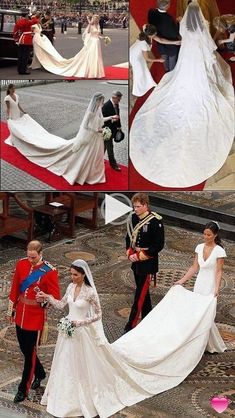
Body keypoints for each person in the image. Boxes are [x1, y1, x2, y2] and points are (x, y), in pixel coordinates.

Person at [36, 258, 220, 418]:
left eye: (75, 275)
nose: (72, 277)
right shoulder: (69, 287)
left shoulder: (90, 293)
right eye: (71, 274)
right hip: (68, 333)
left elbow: (98, 316)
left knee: (84, 365)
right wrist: (48, 297)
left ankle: (84, 397)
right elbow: (61, 306)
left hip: (82, 332)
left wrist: (80, 323)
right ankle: (63, 397)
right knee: (65, 363)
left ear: (83, 275)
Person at [130, 2, 234, 188]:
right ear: (200, 16)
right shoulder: (202, 26)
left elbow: (183, 36)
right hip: (198, 56)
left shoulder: (183, 26)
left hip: (186, 54)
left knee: (181, 74)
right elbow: (210, 46)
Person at [5, 92, 119, 185]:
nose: (102, 103)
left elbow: (101, 121)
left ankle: (94, 171)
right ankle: (85, 172)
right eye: (101, 101)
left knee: (95, 155)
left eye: (103, 101)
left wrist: (111, 118)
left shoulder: (99, 110)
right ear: (97, 101)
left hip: (96, 138)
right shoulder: (90, 113)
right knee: (86, 155)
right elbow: (85, 126)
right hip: (91, 136)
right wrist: (98, 130)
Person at [6, 240, 60, 403]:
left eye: (34, 258)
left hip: (35, 317)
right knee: (24, 348)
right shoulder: (21, 264)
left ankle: (23, 388)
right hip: (21, 312)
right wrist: (11, 310)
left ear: (40, 254)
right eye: (29, 257)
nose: (30, 260)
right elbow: (15, 287)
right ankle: (41, 373)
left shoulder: (49, 271)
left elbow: (55, 297)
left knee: (29, 354)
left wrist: (44, 299)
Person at [174, 221, 227, 353]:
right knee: (197, 312)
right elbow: (194, 267)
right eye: (204, 234)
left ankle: (202, 344)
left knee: (205, 314)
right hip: (200, 283)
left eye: (209, 235)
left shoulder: (219, 251)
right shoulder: (199, 247)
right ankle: (201, 343)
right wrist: (182, 280)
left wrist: (217, 288)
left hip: (210, 284)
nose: (205, 237)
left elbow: (219, 271)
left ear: (215, 235)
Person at [124, 193, 164, 332]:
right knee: (144, 295)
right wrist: (130, 253)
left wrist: (140, 256)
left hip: (147, 263)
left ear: (146, 205)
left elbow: (158, 245)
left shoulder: (155, 221)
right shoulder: (134, 218)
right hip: (136, 261)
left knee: (139, 296)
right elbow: (129, 237)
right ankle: (149, 319)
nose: (135, 209)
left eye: (138, 206)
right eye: (134, 206)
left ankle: (131, 326)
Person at [31, 14, 105, 78]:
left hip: (96, 42)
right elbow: (88, 33)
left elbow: (97, 35)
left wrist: (103, 38)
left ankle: (95, 71)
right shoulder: (91, 26)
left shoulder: (97, 26)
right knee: (91, 56)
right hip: (92, 42)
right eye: (95, 19)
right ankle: (92, 71)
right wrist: (89, 23)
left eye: (96, 19)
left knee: (96, 56)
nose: (95, 20)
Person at [130, 24, 181, 96]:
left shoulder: (147, 33)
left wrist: (175, 42)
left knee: (144, 70)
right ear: (150, 35)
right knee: (139, 73)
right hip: (135, 57)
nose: (156, 34)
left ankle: (148, 84)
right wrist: (158, 60)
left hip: (137, 52)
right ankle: (138, 91)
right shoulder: (143, 43)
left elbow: (161, 40)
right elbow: (147, 59)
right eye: (154, 34)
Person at [148, 0, 180, 72]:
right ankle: (171, 73)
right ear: (167, 7)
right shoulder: (169, 19)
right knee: (172, 59)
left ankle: (166, 70)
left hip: (159, 42)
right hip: (171, 44)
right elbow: (175, 34)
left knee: (164, 55)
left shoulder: (151, 11)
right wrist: (177, 23)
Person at [13, 8, 38, 75]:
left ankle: (19, 69)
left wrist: (16, 39)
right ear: (26, 15)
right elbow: (35, 21)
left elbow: (15, 31)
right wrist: (33, 15)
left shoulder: (19, 21)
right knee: (25, 56)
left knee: (20, 56)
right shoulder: (27, 21)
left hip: (21, 40)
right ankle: (23, 70)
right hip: (26, 40)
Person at [102, 90, 123, 171]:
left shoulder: (116, 104)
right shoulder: (106, 106)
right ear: (114, 97)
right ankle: (114, 165)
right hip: (106, 130)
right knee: (110, 147)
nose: (119, 101)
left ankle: (98, 160)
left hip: (113, 129)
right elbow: (102, 119)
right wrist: (112, 119)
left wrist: (119, 126)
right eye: (118, 99)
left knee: (103, 147)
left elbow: (118, 115)